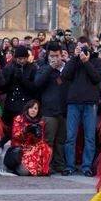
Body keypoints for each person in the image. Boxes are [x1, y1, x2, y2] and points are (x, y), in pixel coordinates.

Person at [61, 36, 101, 177]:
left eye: (84, 47)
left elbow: (97, 78)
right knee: (70, 137)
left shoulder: (97, 61)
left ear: (90, 47)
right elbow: (65, 75)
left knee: (89, 137)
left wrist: (86, 62)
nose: (82, 50)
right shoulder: (74, 61)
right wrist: (75, 58)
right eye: (79, 47)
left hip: (90, 103)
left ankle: (86, 167)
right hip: (73, 102)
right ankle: (69, 166)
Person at [34, 42, 68, 174]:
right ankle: (46, 165)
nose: (55, 58)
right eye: (52, 56)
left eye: (57, 56)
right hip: (49, 111)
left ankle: (59, 164)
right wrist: (50, 68)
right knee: (48, 140)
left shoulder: (65, 69)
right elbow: (37, 83)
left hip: (63, 110)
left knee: (61, 140)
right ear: (48, 56)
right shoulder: (43, 69)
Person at [1, 45, 37, 142]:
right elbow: (3, 87)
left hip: (24, 105)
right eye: (20, 59)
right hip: (10, 104)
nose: (22, 61)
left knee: (22, 133)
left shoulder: (32, 69)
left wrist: (22, 78)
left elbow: (34, 87)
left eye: (24, 58)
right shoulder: (9, 68)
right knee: (7, 132)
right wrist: (11, 76)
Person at [6, 100, 52, 176]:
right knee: (24, 172)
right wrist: (26, 130)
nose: (33, 110)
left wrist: (36, 134)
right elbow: (15, 136)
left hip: (33, 150)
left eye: (35, 108)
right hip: (20, 149)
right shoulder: (18, 118)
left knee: (45, 147)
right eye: (31, 108)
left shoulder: (40, 123)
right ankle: (15, 167)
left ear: (38, 111)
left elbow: (39, 141)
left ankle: (37, 168)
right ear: (27, 109)